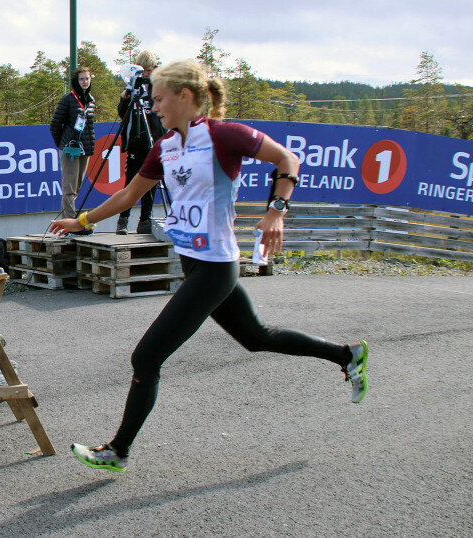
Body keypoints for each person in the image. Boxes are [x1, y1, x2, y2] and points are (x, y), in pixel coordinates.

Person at [48, 60, 369, 473]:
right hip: (195, 266)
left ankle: (118, 450)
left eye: (160, 98)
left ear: (185, 97)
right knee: (256, 337)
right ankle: (346, 355)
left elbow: (288, 160)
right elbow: (129, 195)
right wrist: (82, 221)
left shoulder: (224, 135)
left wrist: (276, 210)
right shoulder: (166, 146)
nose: (156, 106)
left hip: (216, 267)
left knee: (146, 358)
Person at [116, 51, 167, 235]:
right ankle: (123, 221)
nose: (147, 74)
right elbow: (123, 114)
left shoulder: (160, 85)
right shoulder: (133, 85)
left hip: (155, 140)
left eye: (150, 70)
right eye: (144, 70)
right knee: (130, 182)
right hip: (137, 140)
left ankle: (145, 220)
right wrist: (125, 98)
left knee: (151, 181)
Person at [50, 66, 97, 235]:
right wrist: (63, 144)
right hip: (70, 150)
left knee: (76, 187)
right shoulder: (68, 100)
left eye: (87, 78)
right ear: (76, 81)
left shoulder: (90, 100)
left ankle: (73, 221)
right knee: (69, 188)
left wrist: (90, 146)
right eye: (81, 79)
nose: (85, 82)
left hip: (84, 149)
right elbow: (55, 125)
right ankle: (70, 224)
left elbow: (89, 126)